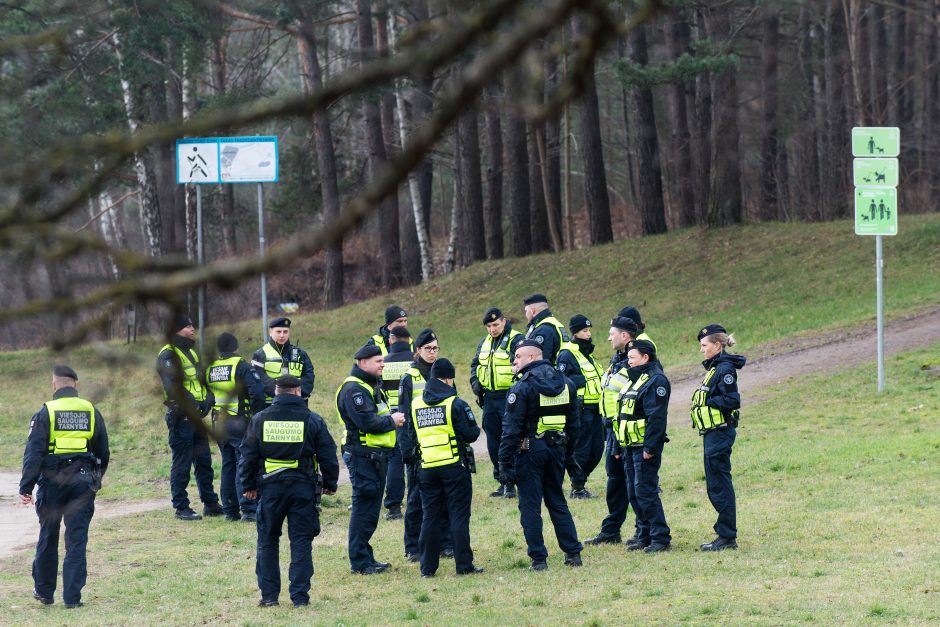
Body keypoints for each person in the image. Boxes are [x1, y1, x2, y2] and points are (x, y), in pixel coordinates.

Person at [240, 375, 339, 607]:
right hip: (302, 489)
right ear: (298, 392)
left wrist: (248, 486)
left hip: (270, 490)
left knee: (267, 541)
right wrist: (330, 483)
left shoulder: (260, 419)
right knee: (301, 541)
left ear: (276, 392)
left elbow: (248, 455)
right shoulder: (312, 419)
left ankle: (269, 597)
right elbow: (327, 453)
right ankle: (300, 598)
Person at [19, 366, 110, 609]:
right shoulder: (91, 410)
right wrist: (96, 479)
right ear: (75, 385)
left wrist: (26, 487)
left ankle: (45, 592)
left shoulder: (46, 411)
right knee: (76, 539)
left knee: (48, 536)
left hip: (52, 482)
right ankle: (72, 598)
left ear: (54, 385)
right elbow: (103, 450)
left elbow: (34, 452)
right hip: (82, 483)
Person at [498, 339, 583, 571]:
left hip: (530, 452)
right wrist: (569, 455)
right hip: (557, 450)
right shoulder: (566, 384)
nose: (514, 361)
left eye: (517, 357)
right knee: (557, 501)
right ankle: (573, 553)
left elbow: (511, 430)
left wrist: (504, 463)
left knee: (530, 507)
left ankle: (539, 559)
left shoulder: (522, 387)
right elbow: (574, 425)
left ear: (532, 358)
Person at [399, 358, 483, 577]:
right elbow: (472, 434)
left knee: (430, 517)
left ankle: (427, 568)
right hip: (454, 466)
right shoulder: (455, 403)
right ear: (448, 379)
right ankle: (464, 566)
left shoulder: (416, 404)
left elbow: (411, 435)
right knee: (458, 516)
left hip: (427, 468)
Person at [336, 344, 406, 574]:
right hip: (363, 456)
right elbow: (367, 423)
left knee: (369, 510)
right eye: (378, 362)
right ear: (363, 363)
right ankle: (360, 562)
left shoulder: (368, 385)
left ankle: (365, 558)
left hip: (374, 455)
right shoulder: (355, 390)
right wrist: (392, 421)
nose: (383, 365)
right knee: (364, 509)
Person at [583, 316, 642, 546]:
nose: (608, 337)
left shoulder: (635, 359)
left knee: (633, 482)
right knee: (615, 480)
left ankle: (642, 530)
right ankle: (611, 530)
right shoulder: (618, 358)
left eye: (612, 333)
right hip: (612, 429)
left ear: (625, 336)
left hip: (626, 430)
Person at [156, 314, 221, 520]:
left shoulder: (190, 351)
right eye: (188, 326)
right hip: (181, 417)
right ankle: (181, 507)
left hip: (196, 417)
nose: (193, 328)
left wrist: (209, 399)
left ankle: (210, 503)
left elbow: (200, 381)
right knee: (182, 463)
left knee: (204, 462)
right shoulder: (168, 355)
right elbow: (173, 387)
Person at [398, 328, 453, 561]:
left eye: (435, 348)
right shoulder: (409, 378)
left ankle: (445, 544)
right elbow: (403, 416)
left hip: (443, 446)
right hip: (419, 448)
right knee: (416, 499)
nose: (432, 352)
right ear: (417, 350)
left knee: (446, 498)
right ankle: (413, 547)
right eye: (428, 348)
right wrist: (408, 450)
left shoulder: (444, 373)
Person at [613, 339, 671, 553]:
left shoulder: (656, 381)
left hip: (644, 448)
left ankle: (660, 538)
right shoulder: (635, 378)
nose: (628, 362)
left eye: (632, 358)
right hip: (629, 446)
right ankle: (644, 534)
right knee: (633, 492)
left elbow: (656, 418)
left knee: (645, 491)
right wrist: (618, 447)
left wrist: (650, 448)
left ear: (645, 358)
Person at [693, 324, 745, 551]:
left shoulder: (724, 370)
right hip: (712, 433)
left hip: (720, 433)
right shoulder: (716, 368)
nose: (702, 350)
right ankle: (725, 534)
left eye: (704, 345)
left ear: (717, 345)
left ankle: (726, 537)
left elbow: (732, 400)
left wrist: (709, 402)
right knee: (715, 485)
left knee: (720, 485)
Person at [205, 332, 267, 522]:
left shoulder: (211, 368)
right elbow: (257, 393)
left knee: (228, 465)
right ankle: (248, 509)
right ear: (236, 348)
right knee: (245, 463)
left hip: (219, 422)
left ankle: (231, 511)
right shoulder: (240, 365)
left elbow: (208, 396)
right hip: (239, 422)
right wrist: (257, 416)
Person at [469, 307, 523, 498]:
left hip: (510, 397)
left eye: (495, 324)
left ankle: (512, 481)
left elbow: (523, 366)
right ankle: (502, 480)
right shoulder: (484, 343)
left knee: (510, 440)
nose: (492, 329)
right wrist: (475, 382)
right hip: (490, 399)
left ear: (504, 321)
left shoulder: (516, 340)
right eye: (489, 326)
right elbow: (475, 365)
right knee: (493, 442)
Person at [556, 314, 604, 499]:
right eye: (584, 331)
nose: (588, 334)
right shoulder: (567, 353)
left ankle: (581, 480)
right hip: (581, 409)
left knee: (597, 449)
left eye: (589, 330)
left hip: (596, 408)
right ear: (575, 332)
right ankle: (577, 486)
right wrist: (581, 380)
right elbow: (561, 380)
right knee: (582, 450)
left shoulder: (587, 353)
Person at [380, 326, 413, 521]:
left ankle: (394, 506)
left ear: (391, 340)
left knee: (395, 460)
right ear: (409, 340)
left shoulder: (383, 362)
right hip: (415, 416)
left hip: (392, 417)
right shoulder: (416, 361)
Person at [252, 317, 315, 406]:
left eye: (285, 332)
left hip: (297, 405)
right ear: (270, 332)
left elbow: (309, 377)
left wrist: (295, 394)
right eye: (278, 332)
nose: (282, 335)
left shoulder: (301, 354)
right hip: (271, 406)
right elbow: (260, 379)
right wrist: (283, 393)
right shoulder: (260, 355)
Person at [522, 294, 569, 364]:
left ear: (532, 311)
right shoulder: (553, 323)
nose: (525, 314)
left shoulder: (543, 330)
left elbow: (539, 361)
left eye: (526, 311)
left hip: (550, 373)